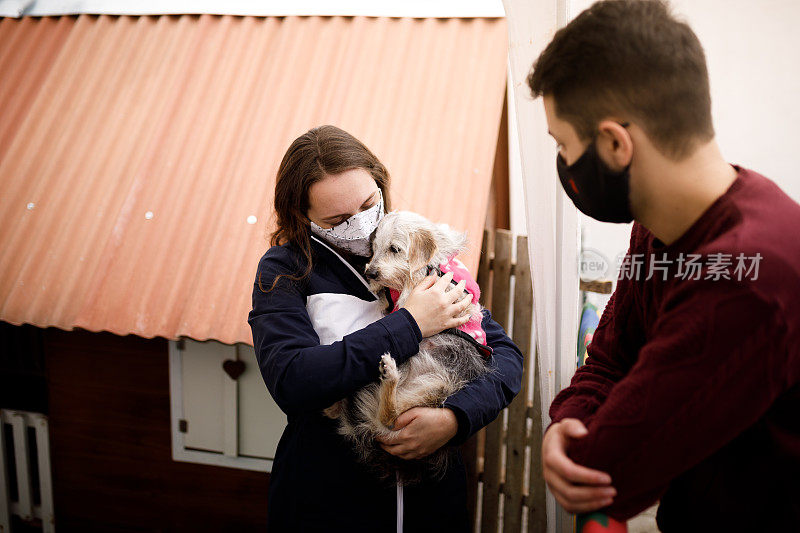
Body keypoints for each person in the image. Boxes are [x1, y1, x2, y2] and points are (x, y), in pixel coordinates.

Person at [526, 0, 800, 530]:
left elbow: (608, 465)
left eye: (563, 144)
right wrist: (569, 419)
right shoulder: (658, 226)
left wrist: (569, 441)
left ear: (614, 143)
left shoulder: (749, 277)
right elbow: (608, 361)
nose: (563, 163)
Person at [247, 125, 524, 532]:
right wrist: (410, 323)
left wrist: (454, 418)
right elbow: (292, 379)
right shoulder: (285, 271)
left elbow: (504, 357)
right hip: (330, 505)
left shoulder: (413, 249)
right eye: (339, 218)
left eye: (368, 203)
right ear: (302, 216)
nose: (360, 225)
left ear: (380, 183)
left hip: (432, 504)